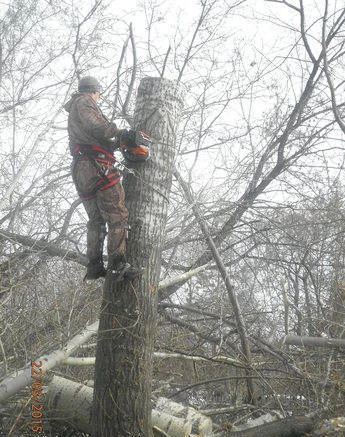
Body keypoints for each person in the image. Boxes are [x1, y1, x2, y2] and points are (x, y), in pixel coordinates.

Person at [64, 75, 136, 280]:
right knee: (117, 215)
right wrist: (119, 130)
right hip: (96, 166)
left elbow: (93, 138)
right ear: (94, 91)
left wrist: (117, 143)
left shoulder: (75, 111)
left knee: (96, 220)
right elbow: (96, 127)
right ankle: (117, 264)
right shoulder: (84, 101)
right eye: (98, 94)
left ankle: (94, 265)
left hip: (82, 168)